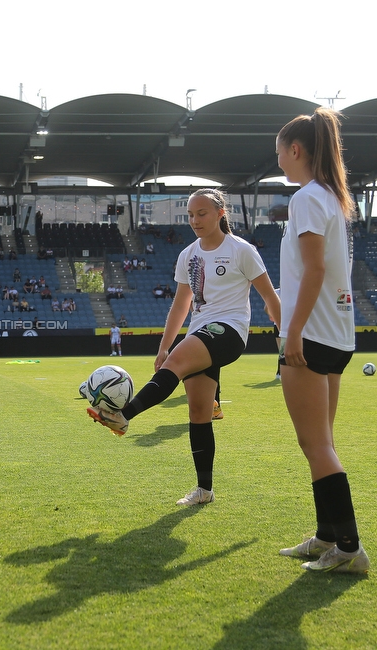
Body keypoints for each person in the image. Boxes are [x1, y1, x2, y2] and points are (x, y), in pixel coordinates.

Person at [88, 188, 280, 508]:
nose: (194, 220)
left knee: (174, 367)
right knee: (199, 413)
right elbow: (180, 304)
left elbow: (270, 297)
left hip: (229, 331)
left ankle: (122, 416)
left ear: (221, 213)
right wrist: (164, 347)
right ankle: (204, 490)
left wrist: (287, 338)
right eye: (190, 215)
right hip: (201, 331)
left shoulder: (241, 250)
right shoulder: (188, 254)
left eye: (201, 213)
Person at [274, 108, 370, 573]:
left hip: (310, 336)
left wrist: (291, 333)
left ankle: (349, 549)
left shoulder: (308, 198)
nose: (279, 165)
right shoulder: (332, 196)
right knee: (320, 442)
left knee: (316, 445)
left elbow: (313, 270)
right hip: (335, 334)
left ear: (296, 150)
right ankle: (326, 537)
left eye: (280, 155)